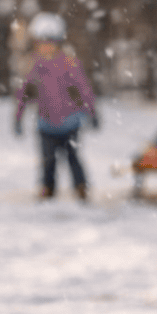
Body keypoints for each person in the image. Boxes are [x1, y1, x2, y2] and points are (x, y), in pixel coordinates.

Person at [13, 12, 100, 201]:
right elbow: (24, 93)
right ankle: (47, 188)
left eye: (50, 42)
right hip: (46, 123)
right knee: (48, 160)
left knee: (73, 157)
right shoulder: (33, 65)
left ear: (58, 42)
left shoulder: (69, 63)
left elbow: (84, 89)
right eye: (41, 42)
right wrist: (18, 116)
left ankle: (81, 187)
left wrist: (92, 112)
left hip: (70, 121)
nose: (46, 47)